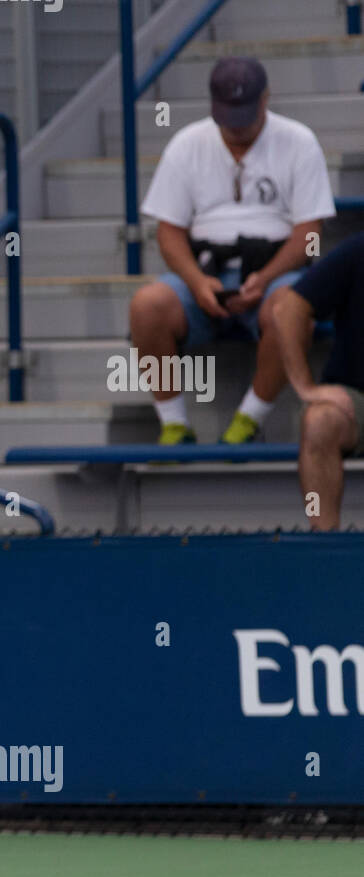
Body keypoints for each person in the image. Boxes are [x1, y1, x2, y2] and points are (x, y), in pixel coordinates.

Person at [129, 57, 337, 445]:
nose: (237, 127)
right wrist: (196, 281)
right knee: (147, 305)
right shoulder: (187, 144)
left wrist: (267, 276)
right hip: (204, 271)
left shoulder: (298, 141)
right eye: (228, 116)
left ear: (265, 99)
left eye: (245, 115)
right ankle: (173, 424)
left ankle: (247, 420)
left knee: (291, 308)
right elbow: (169, 232)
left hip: (274, 271)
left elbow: (310, 232)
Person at [270, 232, 364, 530]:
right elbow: (287, 309)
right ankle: (323, 541)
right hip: (357, 400)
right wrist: (305, 387)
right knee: (319, 421)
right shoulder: (358, 250)